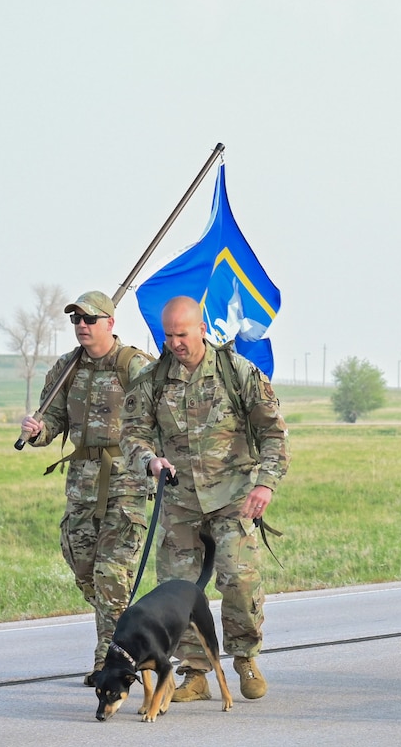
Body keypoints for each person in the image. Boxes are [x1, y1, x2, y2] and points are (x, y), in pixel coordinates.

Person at [120, 295, 290, 702]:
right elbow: (131, 435)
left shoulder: (238, 373)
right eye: (168, 335)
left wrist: (265, 483)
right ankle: (193, 672)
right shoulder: (151, 380)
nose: (175, 342)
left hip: (233, 496)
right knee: (176, 591)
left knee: (237, 577)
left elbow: (273, 433)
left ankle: (245, 658)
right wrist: (150, 461)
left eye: (182, 333)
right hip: (179, 501)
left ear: (201, 329)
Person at [19, 290, 155, 680]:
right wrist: (38, 430)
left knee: (111, 574)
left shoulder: (135, 366)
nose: (82, 326)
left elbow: (159, 416)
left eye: (89, 320)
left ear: (110, 323)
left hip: (125, 482)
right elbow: (54, 420)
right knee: (85, 570)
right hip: (81, 484)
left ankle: (107, 662)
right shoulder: (66, 369)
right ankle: (131, 627)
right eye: (76, 320)